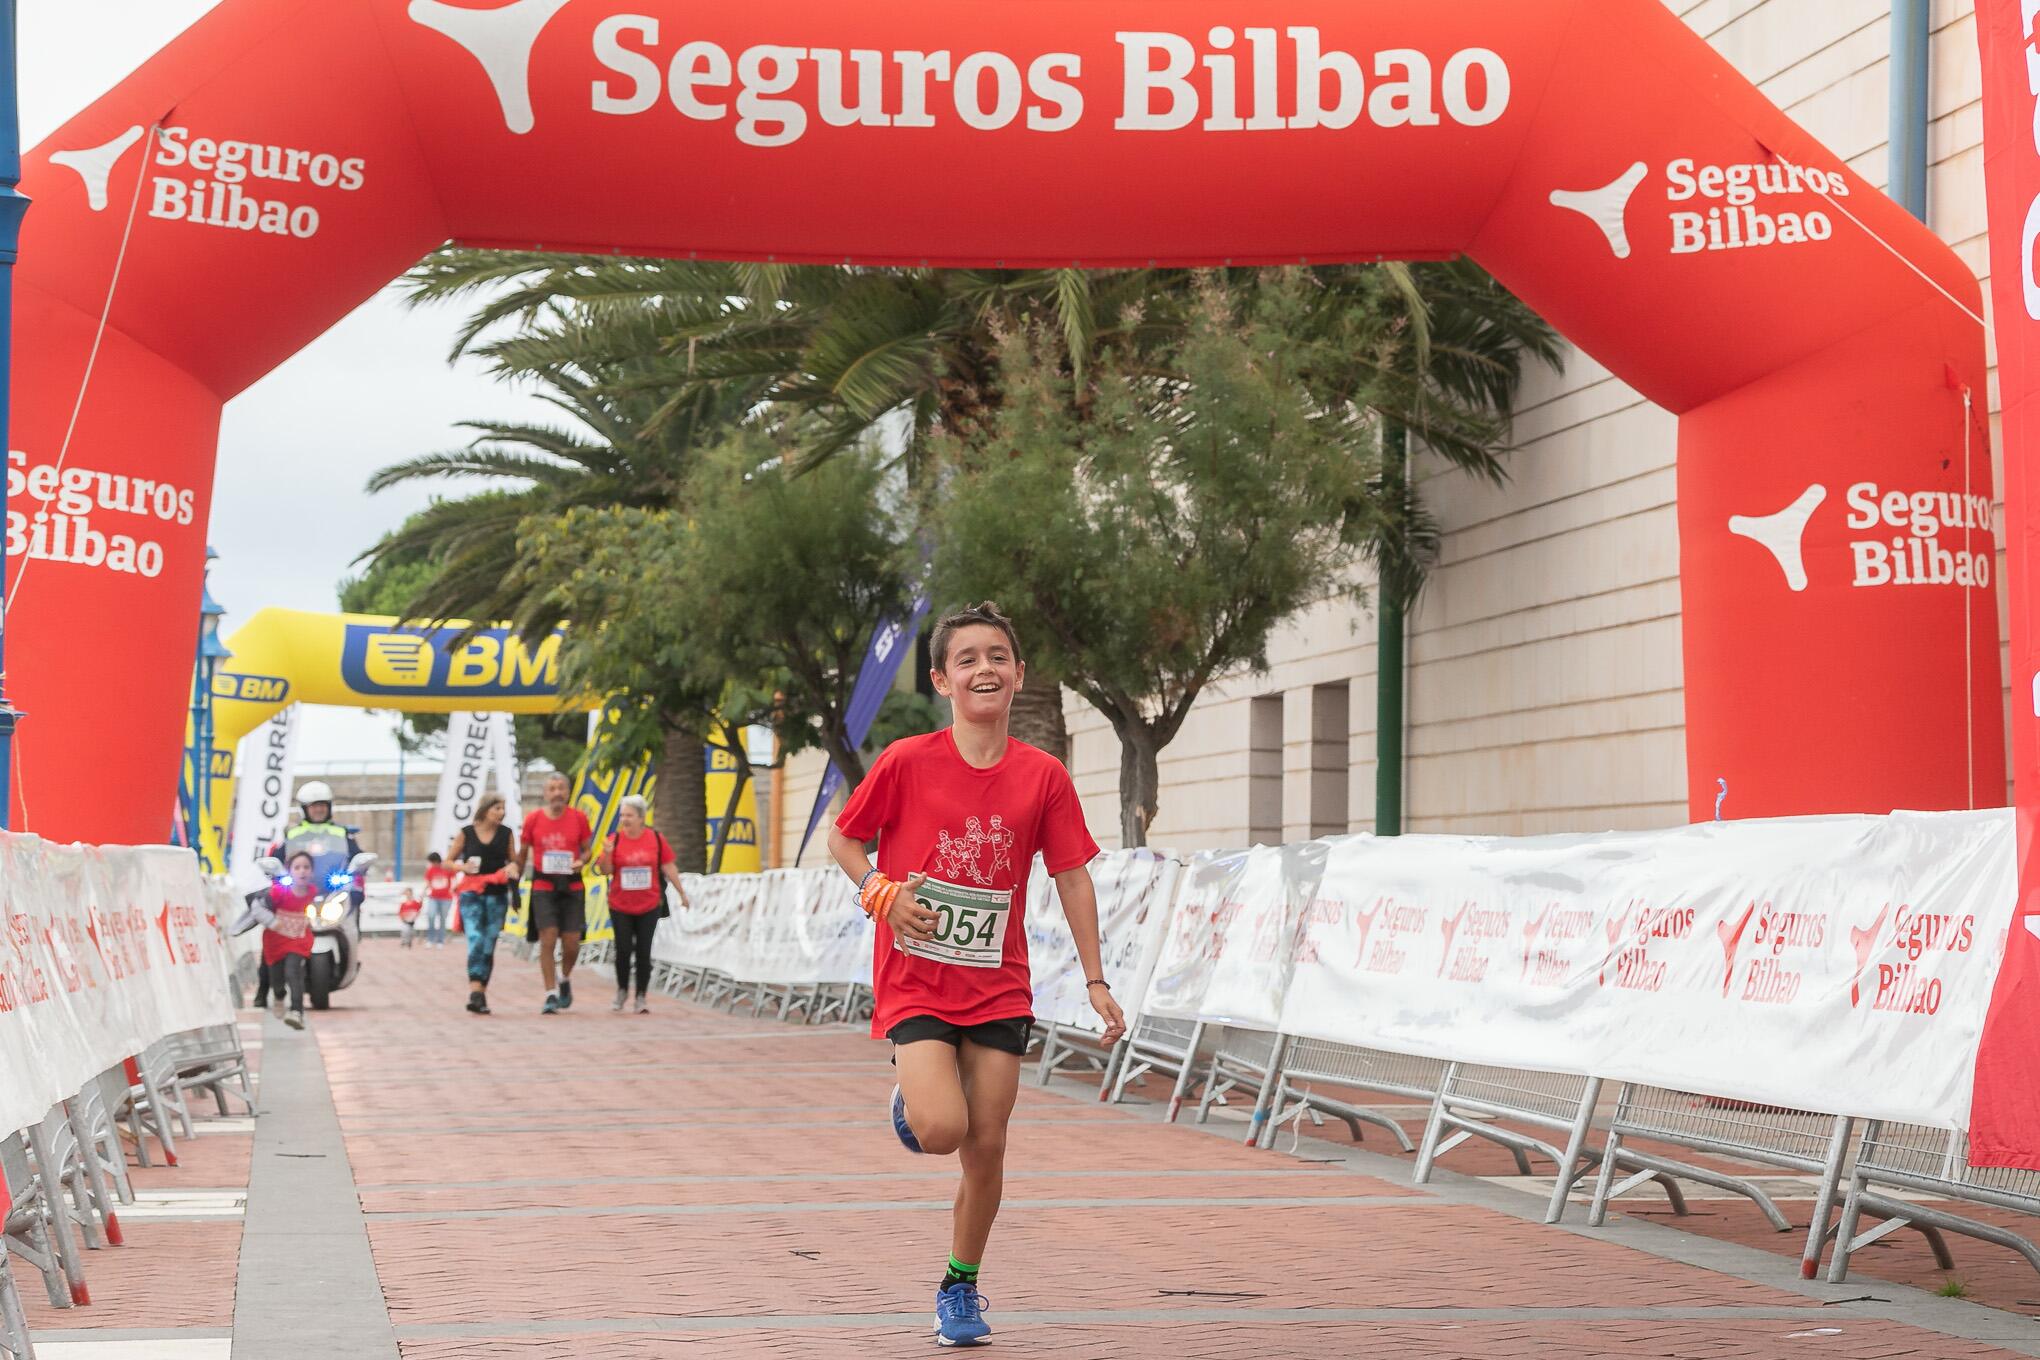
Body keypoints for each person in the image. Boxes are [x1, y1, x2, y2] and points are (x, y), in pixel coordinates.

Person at [827, 602, 1124, 1349]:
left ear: (1019, 675)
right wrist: (879, 894)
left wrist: (1095, 979)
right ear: (941, 679)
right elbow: (844, 836)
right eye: (967, 659)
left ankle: (959, 1285)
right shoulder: (905, 761)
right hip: (917, 976)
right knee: (941, 1130)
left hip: (998, 984)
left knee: (986, 1143)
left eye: (998, 656)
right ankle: (913, 1098)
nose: (984, 668)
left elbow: (1073, 877)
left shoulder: (1042, 776)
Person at [595, 794, 688, 1013]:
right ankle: (621, 990)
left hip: (649, 904)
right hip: (620, 905)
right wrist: (607, 855)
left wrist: (682, 893)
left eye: (629, 815)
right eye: (622, 815)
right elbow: (605, 871)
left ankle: (641, 996)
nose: (624, 819)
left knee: (644, 951)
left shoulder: (655, 839)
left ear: (641, 818)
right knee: (623, 950)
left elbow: (668, 867)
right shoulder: (614, 840)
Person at [518, 772, 593, 1015]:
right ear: (545, 793)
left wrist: (582, 861)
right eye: (552, 789)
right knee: (547, 937)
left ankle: (564, 977)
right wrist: (514, 877)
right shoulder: (533, 819)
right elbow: (523, 851)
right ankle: (550, 994)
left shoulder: (579, 818)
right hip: (544, 886)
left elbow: (587, 850)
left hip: (571, 885)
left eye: (561, 788)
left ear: (568, 792)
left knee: (572, 942)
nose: (557, 793)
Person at [451, 794, 516, 1015]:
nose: (501, 812)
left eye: (503, 808)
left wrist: (513, 870)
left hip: (497, 894)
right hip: (471, 893)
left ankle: (480, 992)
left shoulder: (506, 834)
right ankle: (475, 990)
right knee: (475, 938)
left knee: (489, 944)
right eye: (497, 808)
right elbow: (447, 861)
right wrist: (463, 867)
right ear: (486, 809)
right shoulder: (467, 833)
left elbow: (513, 861)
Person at [270, 781, 367, 911]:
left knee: (355, 897)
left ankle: (351, 930)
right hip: (300, 889)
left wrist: (361, 863)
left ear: (329, 807)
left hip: (334, 889)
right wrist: (274, 869)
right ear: (304, 809)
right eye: (314, 806)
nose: (319, 810)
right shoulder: (292, 834)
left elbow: (358, 857)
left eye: (322, 805)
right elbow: (277, 858)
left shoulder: (342, 832)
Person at [262, 850, 321, 1030]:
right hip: (275, 942)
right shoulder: (278, 892)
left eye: (306, 867)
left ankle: (297, 1012)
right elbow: (259, 907)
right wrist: (271, 921)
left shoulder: (315, 893)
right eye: (297, 867)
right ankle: (279, 995)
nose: (302, 871)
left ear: (311, 872)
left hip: (299, 941)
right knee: (277, 980)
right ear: (290, 871)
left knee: (293, 971)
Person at [423, 852, 456, 948]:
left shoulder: (447, 868)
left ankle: (440, 940)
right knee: (431, 916)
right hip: (433, 897)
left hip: (446, 898)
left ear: (436, 861)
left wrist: (452, 890)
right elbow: (427, 882)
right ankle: (430, 939)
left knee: (442, 919)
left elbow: (454, 880)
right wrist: (424, 892)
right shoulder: (430, 870)